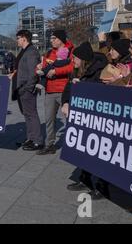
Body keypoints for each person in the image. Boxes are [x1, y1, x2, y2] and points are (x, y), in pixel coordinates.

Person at [61, 42, 109, 200]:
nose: (72, 60)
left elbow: (103, 93)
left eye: (74, 57)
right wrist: (66, 102)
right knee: (84, 149)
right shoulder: (77, 70)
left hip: (96, 119)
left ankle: (102, 186)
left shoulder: (99, 70)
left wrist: (82, 86)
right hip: (81, 117)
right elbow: (68, 88)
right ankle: (85, 178)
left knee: (97, 151)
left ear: (82, 59)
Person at [37, 30, 74, 155]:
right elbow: (43, 66)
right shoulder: (49, 52)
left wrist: (56, 71)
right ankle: (50, 145)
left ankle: (72, 145)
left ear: (61, 39)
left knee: (70, 119)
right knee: (49, 119)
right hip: (50, 90)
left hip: (65, 91)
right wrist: (39, 68)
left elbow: (72, 67)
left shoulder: (71, 51)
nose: (51, 40)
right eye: (51, 38)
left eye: (54, 38)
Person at [9, 30, 43, 151]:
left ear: (24, 38)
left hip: (26, 89)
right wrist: (14, 74)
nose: (16, 40)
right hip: (21, 87)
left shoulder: (31, 51)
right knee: (27, 114)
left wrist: (27, 88)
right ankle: (30, 138)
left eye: (18, 38)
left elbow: (33, 73)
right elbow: (22, 69)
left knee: (31, 114)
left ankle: (38, 141)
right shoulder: (24, 51)